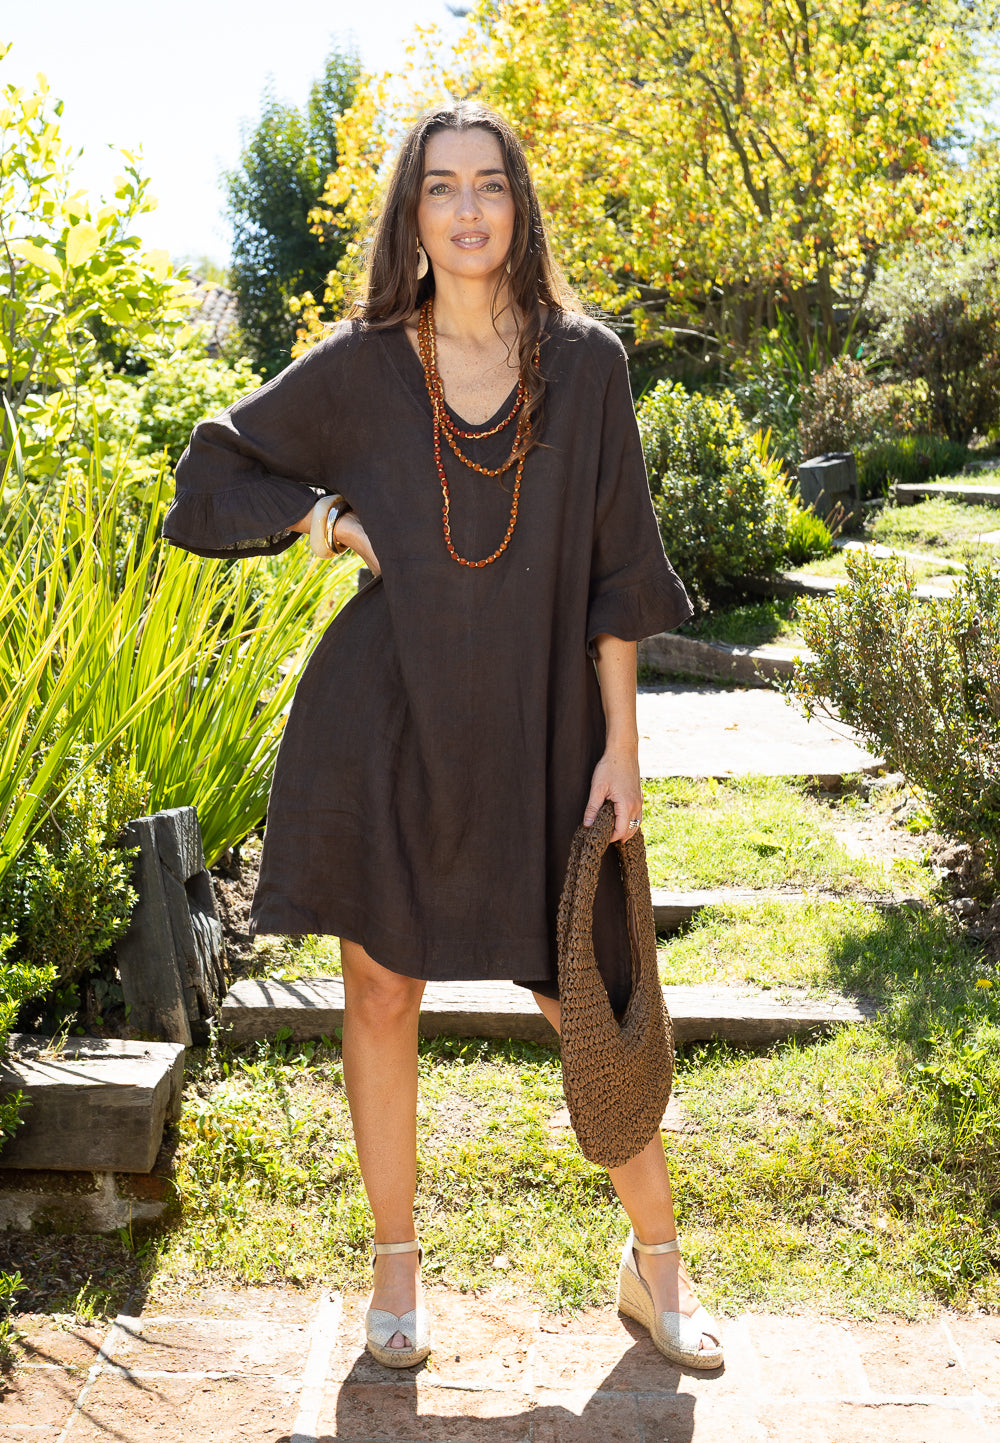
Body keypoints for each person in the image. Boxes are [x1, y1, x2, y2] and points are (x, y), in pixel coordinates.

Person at [164, 100, 723, 1371]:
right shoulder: (362, 365)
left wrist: (621, 748)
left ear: (518, 206)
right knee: (381, 991)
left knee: (590, 996)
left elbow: (617, 574)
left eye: (489, 184)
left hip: (546, 728)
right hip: (387, 723)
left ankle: (658, 1271)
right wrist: (327, 520)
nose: (467, 209)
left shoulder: (588, 365)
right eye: (440, 188)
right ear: (410, 217)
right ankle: (397, 1272)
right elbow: (210, 475)